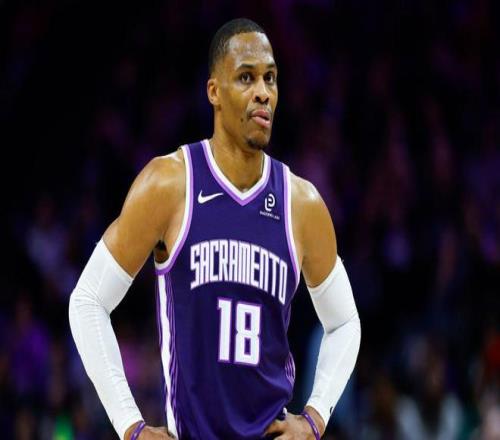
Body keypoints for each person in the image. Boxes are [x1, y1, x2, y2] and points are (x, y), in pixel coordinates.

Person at [69, 18, 361, 440]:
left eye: (270, 78)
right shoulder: (169, 184)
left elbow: (345, 322)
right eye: (246, 77)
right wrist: (130, 426)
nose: (263, 91)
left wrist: (315, 418)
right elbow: (88, 301)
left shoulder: (302, 204)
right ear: (214, 92)